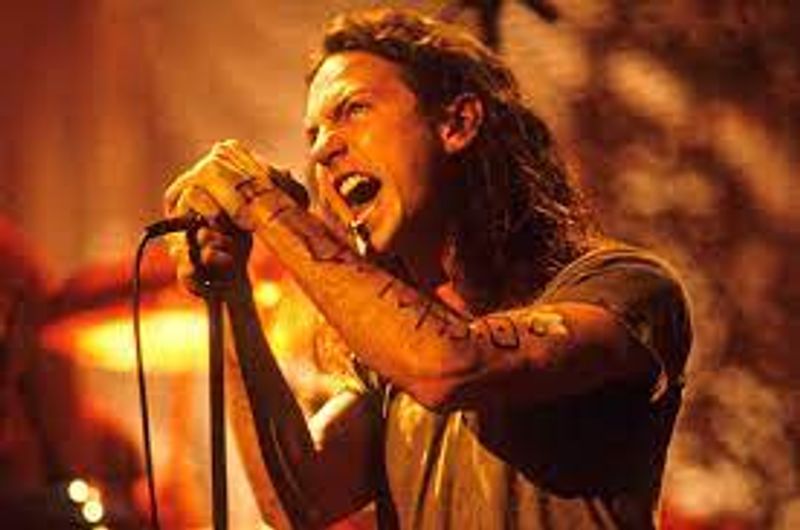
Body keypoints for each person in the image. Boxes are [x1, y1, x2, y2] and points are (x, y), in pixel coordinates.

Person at [163, 8, 692, 529]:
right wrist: (229, 295)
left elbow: (450, 365)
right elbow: (300, 499)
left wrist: (264, 206)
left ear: (457, 124)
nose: (322, 150)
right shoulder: (388, 364)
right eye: (313, 135)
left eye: (353, 109)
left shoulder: (624, 287)